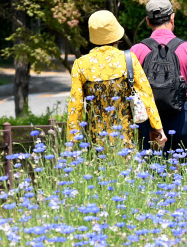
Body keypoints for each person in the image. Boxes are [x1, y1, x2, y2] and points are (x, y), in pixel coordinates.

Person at [67, 10, 165, 150]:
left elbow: (75, 107)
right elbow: (146, 95)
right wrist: (158, 128)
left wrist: (71, 142)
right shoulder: (128, 59)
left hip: (95, 140)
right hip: (126, 138)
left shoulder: (80, 64)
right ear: (116, 35)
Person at [130, 0, 187, 155]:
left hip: (148, 120)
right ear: (172, 18)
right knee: (184, 168)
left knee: (150, 170)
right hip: (180, 117)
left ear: (148, 21)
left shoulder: (136, 50)